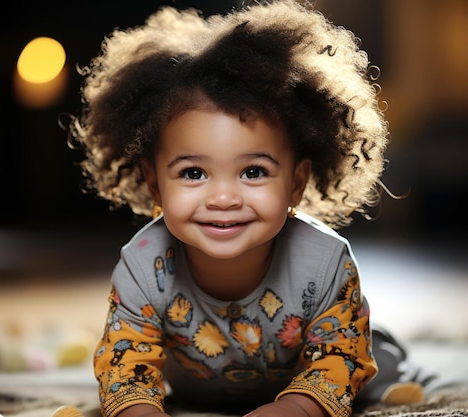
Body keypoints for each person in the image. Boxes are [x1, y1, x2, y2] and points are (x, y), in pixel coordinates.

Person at [65, 1, 431, 417]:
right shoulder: (142, 266)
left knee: (377, 367)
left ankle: (387, 349)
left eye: (253, 171)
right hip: (196, 387)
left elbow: (338, 361)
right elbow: (125, 367)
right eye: (193, 173)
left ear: (295, 183)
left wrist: (298, 406)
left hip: (309, 369)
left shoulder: (324, 262)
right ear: (155, 184)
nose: (223, 198)